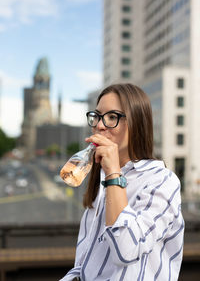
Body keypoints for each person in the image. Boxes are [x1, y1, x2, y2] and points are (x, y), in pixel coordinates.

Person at [60, 83, 184, 281]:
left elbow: (126, 251)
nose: (100, 125)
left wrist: (113, 174)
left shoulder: (163, 181)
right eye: (97, 116)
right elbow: (85, 264)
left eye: (112, 117)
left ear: (136, 123)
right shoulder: (102, 180)